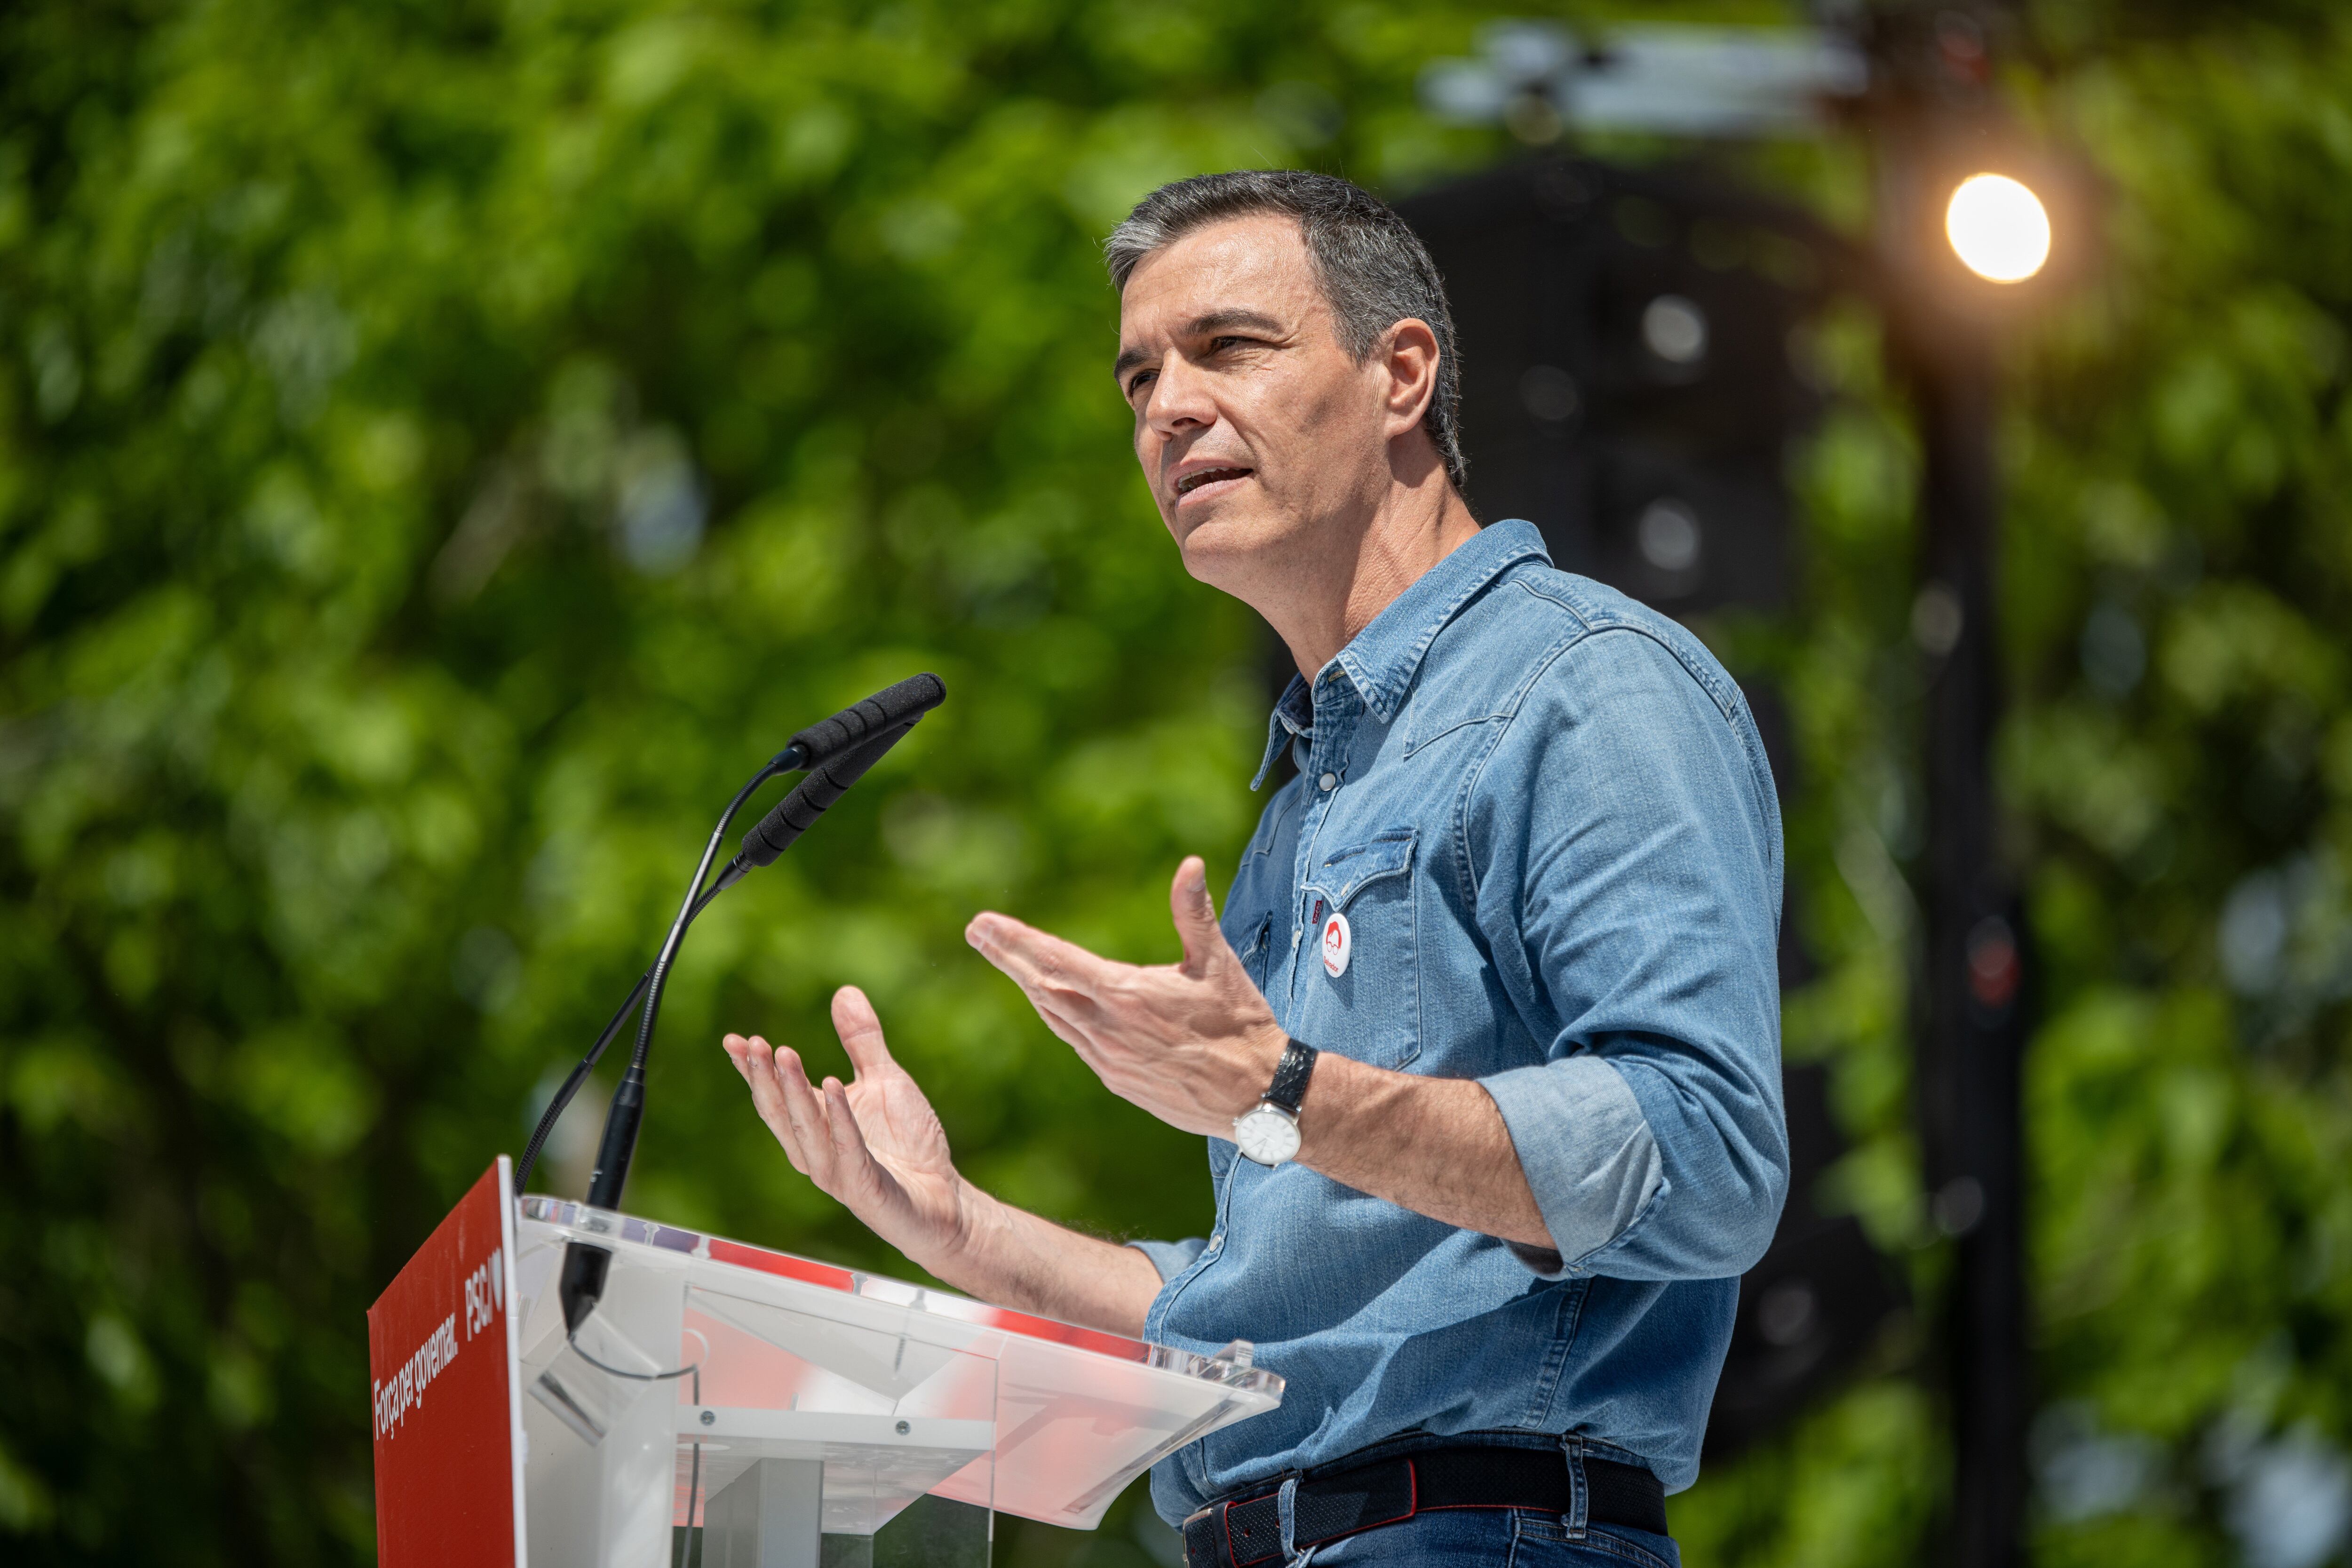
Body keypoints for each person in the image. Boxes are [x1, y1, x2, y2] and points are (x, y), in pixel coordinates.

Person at [721, 170, 1787, 1568]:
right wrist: (960, 1227)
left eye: (1227, 349)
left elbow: (1707, 1154)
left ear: (1402, 372)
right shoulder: (1311, 793)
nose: (1166, 409)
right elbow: (1258, 1307)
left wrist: (1285, 1092)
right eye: (1139, 379)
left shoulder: (1585, 688)